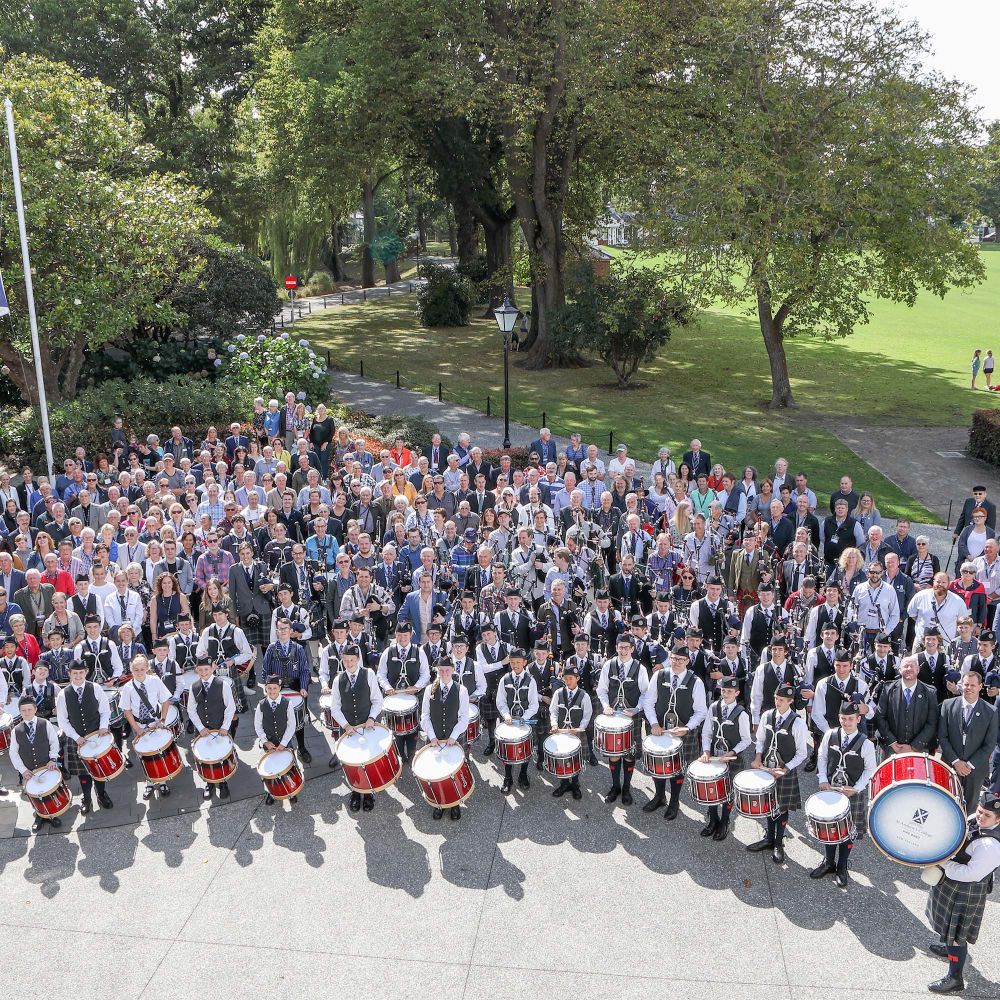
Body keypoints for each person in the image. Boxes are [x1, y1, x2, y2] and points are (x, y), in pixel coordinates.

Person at [923, 790, 1000, 994]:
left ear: (998, 819)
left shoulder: (991, 845)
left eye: (987, 815)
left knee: (957, 935)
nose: (981, 817)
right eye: (980, 811)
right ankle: (948, 947)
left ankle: (955, 978)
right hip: (953, 883)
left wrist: (944, 863)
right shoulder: (975, 819)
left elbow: (970, 874)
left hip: (966, 890)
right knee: (948, 928)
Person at [812, 701, 877, 888]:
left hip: (853, 793)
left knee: (848, 831)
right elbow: (822, 757)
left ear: (858, 719)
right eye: (843, 718)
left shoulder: (866, 744)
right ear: (839, 718)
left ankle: (842, 866)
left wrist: (856, 788)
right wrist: (822, 779)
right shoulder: (830, 735)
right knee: (829, 828)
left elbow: (870, 770)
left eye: (850, 719)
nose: (846, 722)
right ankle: (828, 862)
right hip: (830, 789)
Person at [641, 643, 708, 819]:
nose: (677, 662)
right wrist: (654, 724)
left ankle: (674, 801)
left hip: (682, 733)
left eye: (681, 659)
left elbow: (701, 711)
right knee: (658, 765)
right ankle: (659, 796)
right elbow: (648, 701)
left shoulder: (696, 682)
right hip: (659, 730)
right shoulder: (659, 675)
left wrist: (687, 728)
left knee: (677, 769)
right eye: (673, 658)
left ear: (687, 661)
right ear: (669, 658)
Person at [747, 682, 808, 864]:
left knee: (781, 807)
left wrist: (786, 769)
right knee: (767, 804)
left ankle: (778, 843)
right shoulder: (767, 716)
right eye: (775, 698)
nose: (777, 702)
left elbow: (802, 753)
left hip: (784, 772)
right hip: (766, 768)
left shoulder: (798, 723)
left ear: (790, 701)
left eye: (781, 700)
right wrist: (758, 758)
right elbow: (760, 740)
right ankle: (768, 838)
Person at [596, 634, 650, 805]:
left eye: (627, 647)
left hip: (631, 718)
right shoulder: (608, 665)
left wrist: (637, 709)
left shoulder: (640, 669)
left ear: (632, 649)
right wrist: (605, 705)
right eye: (620, 647)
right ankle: (615, 786)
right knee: (613, 754)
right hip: (612, 718)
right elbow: (601, 689)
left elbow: (645, 693)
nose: (623, 650)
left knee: (629, 755)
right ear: (616, 647)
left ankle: (626, 788)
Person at [329, 644, 383, 813]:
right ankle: (355, 791)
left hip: (368, 727)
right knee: (352, 763)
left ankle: (368, 794)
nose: (349, 663)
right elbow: (335, 707)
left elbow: (377, 700)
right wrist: (345, 725)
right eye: (345, 660)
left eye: (352, 660)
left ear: (358, 659)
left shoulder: (369, 674)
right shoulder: (339, 679)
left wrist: (371, 718)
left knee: (367, 761)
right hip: (348, 730)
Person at [56, 662, 115, 814]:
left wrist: (103, 727)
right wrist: (76, 737)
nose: (78, 676)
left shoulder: (95, 688)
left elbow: (105, 710)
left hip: (97, 735)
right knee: (83, 773)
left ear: (86, 672)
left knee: (99, 769)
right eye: (74, 673)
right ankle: (87, 799)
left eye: (81, 673)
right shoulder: (63, 694)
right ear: (69, 674)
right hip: (77, 740)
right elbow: (63, 721)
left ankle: (101, 794)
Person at [697, 675, 751, 841]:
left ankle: (725, 821)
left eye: (729, 691)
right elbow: (706, 732)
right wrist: (706, 751)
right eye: (723, 690)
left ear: (737, 693)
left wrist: (733, 752)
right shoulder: (713, 707)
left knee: (728, 792)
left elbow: (747, 740)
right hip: (714, 756)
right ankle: (713, 820)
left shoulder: (741, 713)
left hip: (732, 759)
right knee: (711, 789)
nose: (725, 694)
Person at [938, 671, 998, 812]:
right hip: (950, 765)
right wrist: (956, 762)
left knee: (970, 808)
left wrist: (969, 765)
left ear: (980, 686)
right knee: (946, 805)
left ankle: (968, 834)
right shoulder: (947, 705)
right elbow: (942, 737)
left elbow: (989, 744)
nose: (968, 688)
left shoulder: (991, 711)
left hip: (975, 769)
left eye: (972, 685)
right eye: (966, 684)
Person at [420, 658, 471, 820]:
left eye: (447, 670)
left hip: (453, 738)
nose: (444, 673)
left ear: (453, 670)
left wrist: (453, 736)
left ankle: (454, 803)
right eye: (441, 670)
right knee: (436, 772)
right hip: (434, 738)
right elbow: (424, 716)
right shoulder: (429, 690)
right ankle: (438, 803)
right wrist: (432, 736)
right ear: (437, 671)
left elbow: (464, 717)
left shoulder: (461, 690)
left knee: (452, 772)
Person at [119, 654, 175, 800]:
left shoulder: (155, 681)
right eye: (136, 670)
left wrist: (162, 720)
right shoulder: (127, 688)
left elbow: (165, 701)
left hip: (155, 722)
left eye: (142, 669)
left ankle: (162, 781)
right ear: (132, 670)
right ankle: (149, 782)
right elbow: (127, 710)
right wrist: (136, 728)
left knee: (158, 752)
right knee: (144, 755)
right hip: (139, 725)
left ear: (147, 668)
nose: (139, 672)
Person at [261, 617, 313, 763]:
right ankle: (283, 746)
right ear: (276, 631)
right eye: (280, 628)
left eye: (285, 628)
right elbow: (265, 671)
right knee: (280, 720)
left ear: (291, 631)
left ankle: (301, 747)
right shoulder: (271, 648)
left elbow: (304, 671)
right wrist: (270, 688)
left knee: (298, 720)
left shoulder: (299, 649)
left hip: (296, 686)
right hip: (277, 688)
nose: (283, 631)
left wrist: (303, 687)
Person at [376, 620, 430, 762]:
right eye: (399, 635)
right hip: (393, 700)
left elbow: (426, 674)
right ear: (395, 634)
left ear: (411, 635)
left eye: (405, 635)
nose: (402, 638)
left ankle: (412, 755)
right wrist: (387, 687)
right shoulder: (388, 652)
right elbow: (381, 674)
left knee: (413, 730)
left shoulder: (419, 652)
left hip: (413, 699)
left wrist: (416, 686)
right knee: (396, 731)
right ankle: (400, 755)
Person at [8, 694, 63, 830]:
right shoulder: (16, 730)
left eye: (29, 709)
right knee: (34, 795)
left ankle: (52, 814)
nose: (26, 713)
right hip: (29, 770)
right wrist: (23, 770)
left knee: (49, 792)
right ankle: (39, 815)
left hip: (46, 766)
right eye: (23, 710)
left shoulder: (45, 724)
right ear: (20, 711)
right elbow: (13, 753)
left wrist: (52, 759)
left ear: (35, 709)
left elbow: (54, 742)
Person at [187, 658, 237, 800]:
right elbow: (191, 710)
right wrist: (201, 728)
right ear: (197, 670)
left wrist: (225, 727)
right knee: (205, 757)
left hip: (220, 727)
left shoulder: (223, 685)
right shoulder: (194, 686)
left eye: (206, 669)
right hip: (203, 730)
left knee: (220, 756)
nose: (203, 673)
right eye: (200, 670)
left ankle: (223, 782)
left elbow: (230, 708)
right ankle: (209, 783)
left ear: (212, 669)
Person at [876, 654, 939, 757]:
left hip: (919, 749)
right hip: (892, 748)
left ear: (918, 669)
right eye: (905, 666)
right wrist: (892, 742)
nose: (909, 668)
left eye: (912, 666)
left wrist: (914, 746)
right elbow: (880, 717)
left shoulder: (930, 692)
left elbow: (932, 722)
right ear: (900, 670)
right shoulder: (888, 689)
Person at [495, 647, 539, 793]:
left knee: (525, 749)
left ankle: (523, 774)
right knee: (508, 750)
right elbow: (500, 701)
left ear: (524, 662)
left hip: (524, 722)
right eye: (512, 662)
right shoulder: (505, 679)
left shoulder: (531, 681)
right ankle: (508, 777)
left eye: (518, 662)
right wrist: (506, 715)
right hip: (508, 721)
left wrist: (524, 718)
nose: (515, 665)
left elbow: (534, 705)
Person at [548, 662, 592, 800]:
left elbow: (587, 715)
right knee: (562, 758)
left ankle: (575, 783)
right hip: (561, 733)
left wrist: (580, 729)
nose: (568, 681)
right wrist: (554, 724)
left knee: (575, 758)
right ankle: (564, 783)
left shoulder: (584, 696)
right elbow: (553, 711)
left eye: (571, 678)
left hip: (576, 734)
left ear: (577, 678)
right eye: (566, 678)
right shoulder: (558, 693)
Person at [254, 674, 300, 805]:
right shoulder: (261, 705)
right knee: (270, 769)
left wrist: (283, 743)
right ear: (265, 689)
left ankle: (292, 790)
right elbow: (258, 725)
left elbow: (292, 725)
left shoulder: (287, 703)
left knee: (289, 767)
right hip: (269, 743)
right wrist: (265, 741)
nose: (272, 691)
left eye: (274, 688)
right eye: (269, 688)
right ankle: (271, 791)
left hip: (284, 742)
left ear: (279, 688)